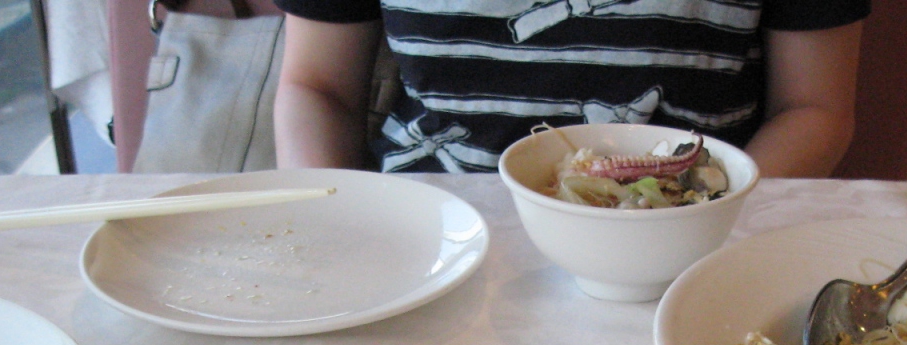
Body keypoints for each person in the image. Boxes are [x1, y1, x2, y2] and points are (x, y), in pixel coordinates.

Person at [273, 1, 870, 178]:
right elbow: (317, 88)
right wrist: (333, 212)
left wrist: (715, 219)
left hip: (692, 236)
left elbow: (813, 110)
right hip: (427, 228)